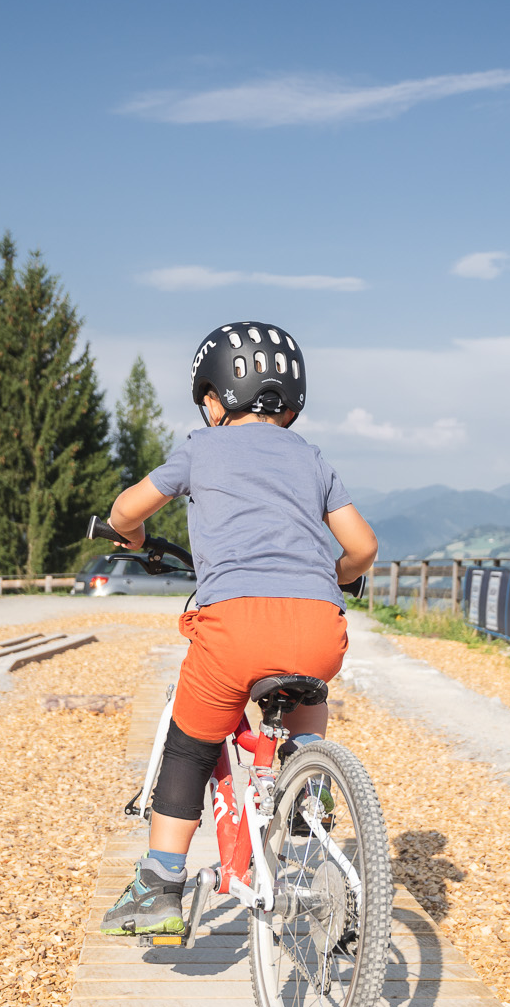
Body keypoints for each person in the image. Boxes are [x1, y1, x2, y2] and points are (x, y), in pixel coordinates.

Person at [98, 321, 378, 936]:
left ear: (215, 397)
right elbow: (363, 546)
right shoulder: (311, 458)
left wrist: (133, 537)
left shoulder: (202, 446)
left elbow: (126, 509)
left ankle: (160, 882)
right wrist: (336, 575)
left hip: (233, 627)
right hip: (319, 626)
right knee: (306, 687)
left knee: (191, 743)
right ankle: (309, 784)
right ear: (291, 400)